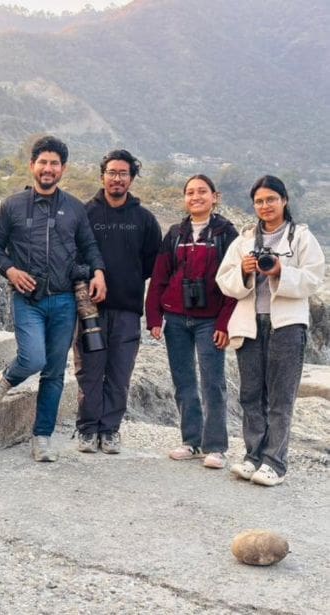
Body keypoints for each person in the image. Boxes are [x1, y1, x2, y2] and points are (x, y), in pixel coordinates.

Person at [0, 136, 106, 462]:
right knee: (33, 359)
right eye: (43, 162)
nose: (48, 168)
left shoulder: (75, 208)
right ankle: (7, 377)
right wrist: (10, 271)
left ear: (62, 169)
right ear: (32, 166)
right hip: (28, 298)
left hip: (65, 301)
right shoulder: (12, 205)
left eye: (54, 163)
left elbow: (89, 246)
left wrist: (98, 272)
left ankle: (42, 437)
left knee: (54, 372)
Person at [217, 175, 324, 486]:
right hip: (250, 324)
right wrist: (243, 271)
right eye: (259, 201)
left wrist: (281, 271)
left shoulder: (301, 237)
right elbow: (224, 281)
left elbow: (314, 278)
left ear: (284, 200)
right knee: (251, 394)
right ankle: (253, 456)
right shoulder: (244, 240)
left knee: (280, 397)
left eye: (271, 199)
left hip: (287, 325)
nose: (265, 206)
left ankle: (274, 463)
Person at [145, 174, 237, 469]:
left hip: (210, 320)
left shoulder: (226, 234)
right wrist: (154, 317)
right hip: (176, 318)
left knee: (213, 383)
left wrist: (224, 323)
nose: (196, 197)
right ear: (184, 198)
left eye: (202, 192)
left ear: (215, 197)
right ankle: (191, 441)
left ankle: (216, 447)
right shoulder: (175, 234)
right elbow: (159, 277)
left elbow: (235, 283)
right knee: (183, 381)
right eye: (190, 192)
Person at [73, 149, 162, 454]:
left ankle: (110, 430)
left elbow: (152, 264)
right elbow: (74, 256)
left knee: (120, 373)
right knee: (89, 372)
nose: (117, 178)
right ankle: (87, 429)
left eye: (123, 173)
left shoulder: (144, 219)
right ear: (102, 176)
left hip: (127, 309)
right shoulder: (85, 214)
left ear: (131, 179)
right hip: (89, 310)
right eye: (112, 172)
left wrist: (128, 280)